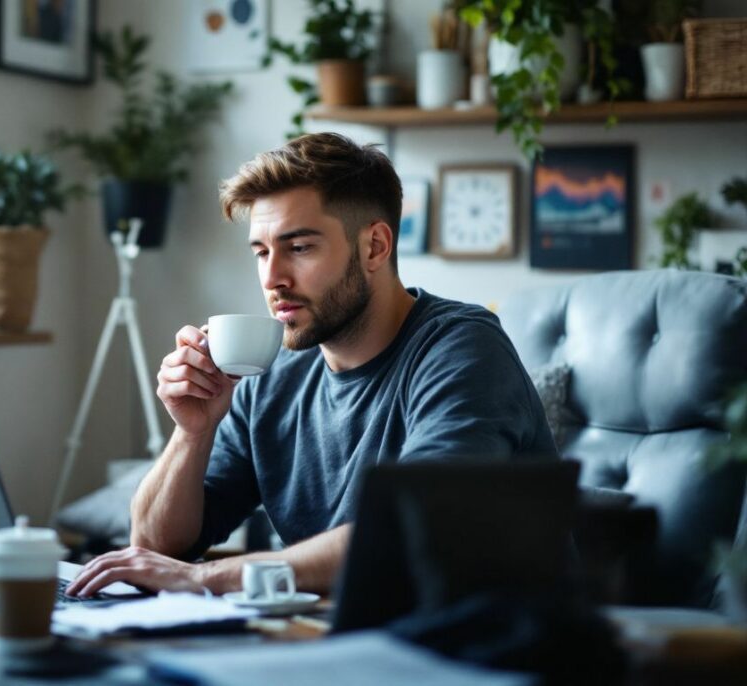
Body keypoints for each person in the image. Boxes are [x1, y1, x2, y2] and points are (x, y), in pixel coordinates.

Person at [66, 133, 558, 598]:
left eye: (299, 248)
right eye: (262, 252)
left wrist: (206, 578)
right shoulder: (272, 375)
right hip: (332, 633)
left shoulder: (460, 348)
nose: (272, 278)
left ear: (375, 247)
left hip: (482, 651)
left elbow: (414, 527)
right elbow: (155, 549)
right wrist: (192, 431)